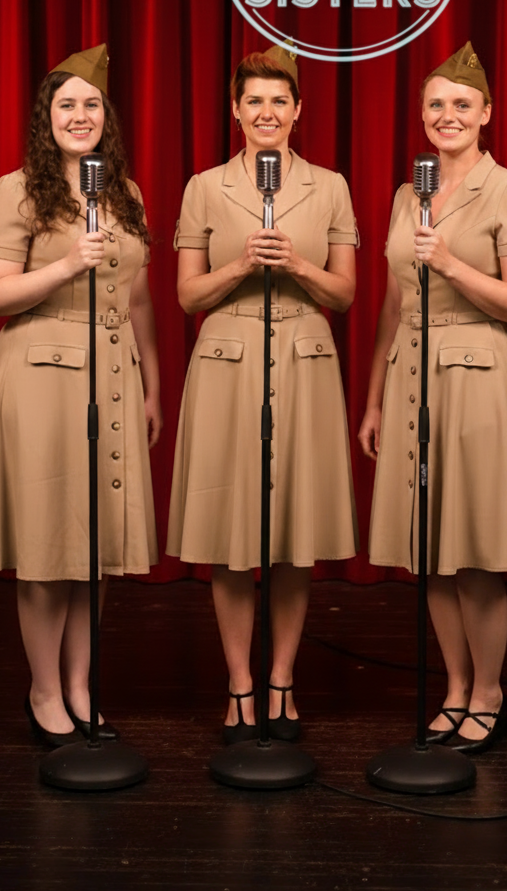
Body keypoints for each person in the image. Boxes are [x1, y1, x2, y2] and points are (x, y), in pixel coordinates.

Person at [0, 44, 161, 747]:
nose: (80, 116)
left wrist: (152, 383)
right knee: (49, 544)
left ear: (108, 118)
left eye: (92, 105)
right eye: (66, 105)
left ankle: (82, 684)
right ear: (46, 120)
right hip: (40, 372)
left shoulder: (125, 195)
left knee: (97, 542)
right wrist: (66, 265)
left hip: (112, 372)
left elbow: (137, 300)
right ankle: (45, 690)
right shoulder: (15, 190)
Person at [167, 45, 359, 743]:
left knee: (292, 533)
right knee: (231, 534)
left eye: (280, 100)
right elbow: (186, 294)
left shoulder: (329, 186)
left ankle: (281, 677)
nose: (267, 112)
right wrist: (238, 265)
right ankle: (239, 684)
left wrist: (299, 263)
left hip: (304, 355)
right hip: (227, 358)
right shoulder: (203, 186)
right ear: (236, 111)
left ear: (298, 109)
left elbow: (345, 293)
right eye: (255, 101)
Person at [359, 41, 507, 754]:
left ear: (487, 114)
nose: (447, 115)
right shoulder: (413, 192)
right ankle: (455, 687)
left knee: (474, 550)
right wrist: (374, 396)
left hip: (479, 375)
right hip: (413, 376)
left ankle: (489, 694)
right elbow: (391, 304)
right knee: (429, 551)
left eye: (461, 104)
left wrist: (454, 264)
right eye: (435, 104)